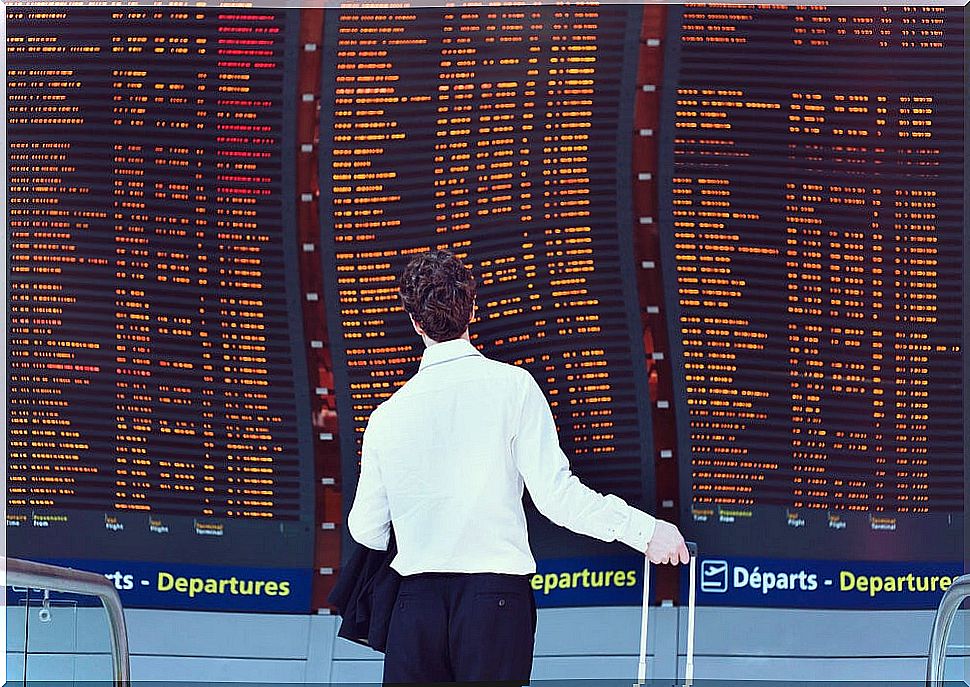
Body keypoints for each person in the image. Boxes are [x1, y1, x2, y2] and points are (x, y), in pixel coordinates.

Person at [347, 249, 689, 685]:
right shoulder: (514, 388)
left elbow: (366, 530)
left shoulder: (386, 416)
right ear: (473, 308)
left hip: (415, 607)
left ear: (414, 322)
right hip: (494, 602)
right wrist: (646, 532)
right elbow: (558, 498)